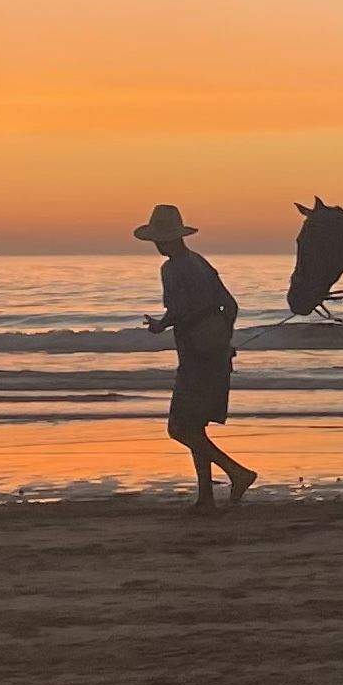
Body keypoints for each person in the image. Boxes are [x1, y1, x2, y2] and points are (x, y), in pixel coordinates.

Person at [136, 204, 256, 510]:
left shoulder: (173, 269)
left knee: (179, 428)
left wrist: (160, 325)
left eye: (159, 240)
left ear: (168, 239)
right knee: (195, 426)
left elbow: (180, 311)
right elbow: (231, 306)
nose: (158, 246)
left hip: (195, 356)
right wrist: (222, 339)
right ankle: (205, 496)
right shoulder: (200, 262)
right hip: (214, 354)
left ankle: (237, 472)